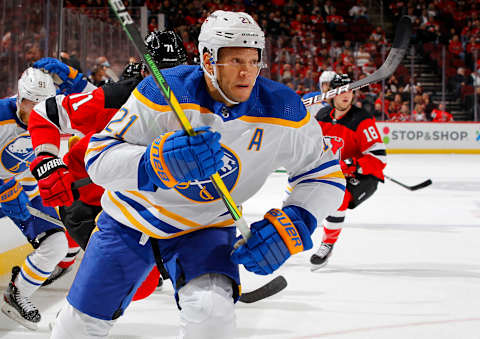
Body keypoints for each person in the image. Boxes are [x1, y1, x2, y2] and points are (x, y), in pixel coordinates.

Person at [50, 10, 345, 339]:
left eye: (253, 59)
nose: (247, 71)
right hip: (129, 220)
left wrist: (296, 222)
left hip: (206, 226)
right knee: (76, 328)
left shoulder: (283, 108)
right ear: (207, 59)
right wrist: (156, 163)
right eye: (235, 60)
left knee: (211, 319)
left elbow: (324, 174)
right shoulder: (163, 91)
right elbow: (99, 158)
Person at [29, 30, 188, 292]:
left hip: (133, 200)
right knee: (137, 281)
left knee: (158, 267)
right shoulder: (114, 99)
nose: (169, 83)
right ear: (145, 72)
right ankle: (75, 317)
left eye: (176, 72)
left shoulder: (193, 98)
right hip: (88, 198)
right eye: (160, 73)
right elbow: (44, 114)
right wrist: (47, 161)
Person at [0, 68, 71, 330]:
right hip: (5, 189)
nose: (36, 110)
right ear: (20, 98)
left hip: (25, 192)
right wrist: (3, 186)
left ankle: (18, 294)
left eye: (43, 104)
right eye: (32, 103)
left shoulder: (53, 117)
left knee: (57, 244)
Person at [308, 74, 386, 268]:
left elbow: (379, 158)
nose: (346, 95)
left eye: (350, 91)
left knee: (338, 198)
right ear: (332, 94)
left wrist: (352, 164)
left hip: (363, 175)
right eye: (341, 91)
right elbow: (315, 146)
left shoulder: (362, 119)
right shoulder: (323, 116)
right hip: (337, 171)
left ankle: (327, 244)